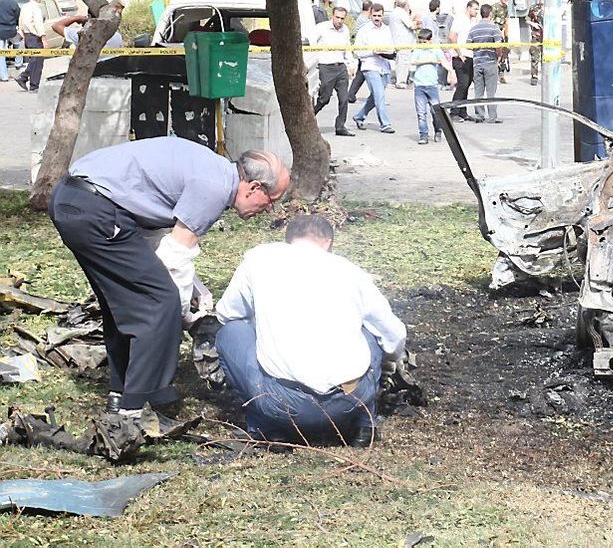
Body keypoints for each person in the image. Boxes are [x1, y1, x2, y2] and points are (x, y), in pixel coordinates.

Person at [48, 138, 289, 416]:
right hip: (94, 207)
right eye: (272, 200)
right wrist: (187, 316)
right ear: (254, 187)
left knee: (126, 303)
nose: (270, 209)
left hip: (73, 199)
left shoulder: (213, 171)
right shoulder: (215, 187)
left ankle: (121, 392)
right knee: (159, 303)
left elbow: (157, 239)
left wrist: (196, 289)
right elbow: (175, 259)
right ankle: (138, 408)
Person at [214, 214, 406, 446]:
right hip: (349, 401)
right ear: (328, 243)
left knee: (230, 332)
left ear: (289, 240)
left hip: (282, 405)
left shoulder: (259, 261)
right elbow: (394, 334)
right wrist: (387, 365)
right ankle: (364, 425)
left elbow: (227, 313)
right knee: (371, 332)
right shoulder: (351, 272)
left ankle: (267, 427)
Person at [352, 3, 396, 133]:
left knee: (376, 96)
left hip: (384, 66)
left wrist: (386, 52)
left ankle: (359, 116)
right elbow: (357, 51)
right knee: (379, 95)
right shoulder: (364, 30)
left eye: (379, 16)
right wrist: (373, 51)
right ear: (370, 15)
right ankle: (385, 124)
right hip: (370, 66)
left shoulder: (387, 29)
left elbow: (391, 47)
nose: (377, 18)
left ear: (383, 16)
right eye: (374, 15)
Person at [313, 6, 356, 136]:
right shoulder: (322, 28)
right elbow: (311, 44)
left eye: (342, 18)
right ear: (333, 16)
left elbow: (347, 48)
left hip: (341, 67)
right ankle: (309, 117)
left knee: (344, 99)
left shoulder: (345, 30)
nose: (339, 21)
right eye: (337, 17)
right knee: (324, 98)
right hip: (326, 67)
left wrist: (351, 64)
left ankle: (340, 126)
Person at [409, 28, 454, 144]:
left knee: (436, 112)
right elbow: (413, 61)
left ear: (430, 40)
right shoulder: (418, 51)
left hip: (432, 86)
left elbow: (443, 61)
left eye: (425, 42)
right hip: (419, 86)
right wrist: (427, 61)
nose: (423, 44)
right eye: (421, 42)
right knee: (421, 113)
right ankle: (423, 135)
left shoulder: (435, 50)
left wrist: (451, 71)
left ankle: (438, 130)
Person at [466, 3, 503, 123]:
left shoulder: (474, 28)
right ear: (491, 14)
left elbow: (468, 45)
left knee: (478, 91)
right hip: (490, 62)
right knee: (491, 91)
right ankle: (492, 116)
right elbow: (498, 45)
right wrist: (499, 55)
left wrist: (478, 49)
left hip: (477, 63)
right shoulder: (494, 28)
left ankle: (479, 115)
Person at [448, 0, 480, 122]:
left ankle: (462, 111)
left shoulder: (473, 21)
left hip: (471, 56)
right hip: (461, 56)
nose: (477, 11)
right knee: (462, 84)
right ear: (468, 8)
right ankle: (453, 111)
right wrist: (459, 53)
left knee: (467, 85)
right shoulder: (460, 19)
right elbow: (452, 36)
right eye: (475, 9)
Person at [14, 0, 45, 93]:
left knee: (34, 60)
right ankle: (33, 85)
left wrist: (22, 33)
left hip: (27, 36)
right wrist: (43, 37)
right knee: (37, 61)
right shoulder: (36, 8)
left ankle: (24, 78)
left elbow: (21, 21)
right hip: (34, 36)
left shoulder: (25, 6)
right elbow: (38, 23)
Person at [346, 0, 374, 104]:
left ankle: (351, 94)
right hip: (364, 51)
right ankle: (375, 94)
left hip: (364, 51)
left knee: (361, 75)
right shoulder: (364, 21)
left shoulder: (362, 18)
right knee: (364, 74)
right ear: (370, 10)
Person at [51, 13, 125, 50]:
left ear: (89, 17)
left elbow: (56, 26)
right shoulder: (117, 35)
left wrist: (77, 18)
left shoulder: (83, 35)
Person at [389, 0, 415, 88]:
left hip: (398, 41)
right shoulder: (401, 13)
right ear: (406, 5)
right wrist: (418, 22)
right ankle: (401, 82)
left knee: (400, 62)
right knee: (403, 63)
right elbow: (412, 26)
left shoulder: (394, 12)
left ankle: (399, 80)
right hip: (404, 42)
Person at [0, 0, 21, 83]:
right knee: (19, 43)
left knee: (1, 54)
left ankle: (4, 76)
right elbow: (18, 17)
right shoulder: (13, 3)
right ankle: (18, 64)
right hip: (11, 31)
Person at [493, 0, 511, 84]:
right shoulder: (495, 7)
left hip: (503, 32)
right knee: (496, 53)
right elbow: (492, 21)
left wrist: (506, 33)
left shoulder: (506, 8)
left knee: (505, 51)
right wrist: (497, 31)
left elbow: (506, 20)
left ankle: (501, 74)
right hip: (495, 32)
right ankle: (494, 74)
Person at [526, 0, 544, 86]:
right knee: (535, 57)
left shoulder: (549, 7)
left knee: (545, 58)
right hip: (536, 35)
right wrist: (533, 24)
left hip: (547, 36)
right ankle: (534, 77)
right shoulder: (533, 8)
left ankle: (546, 76)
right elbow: (527, 19)